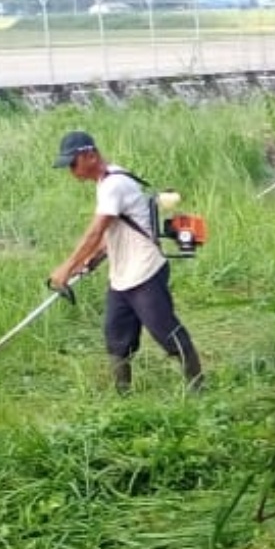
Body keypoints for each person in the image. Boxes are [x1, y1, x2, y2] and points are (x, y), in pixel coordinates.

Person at [46, 130, 205, 395]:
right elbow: (114, 231)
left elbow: (96, 231)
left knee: (167, 333)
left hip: (144, 272)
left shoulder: (113, 185)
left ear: (90, 155)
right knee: (116, 336)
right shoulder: (106, 180)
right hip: (122, 275)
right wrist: (93, 257)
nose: (71, 171)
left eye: (73, 164)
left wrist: (68, 267)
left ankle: (198, 388)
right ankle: (123, 395)